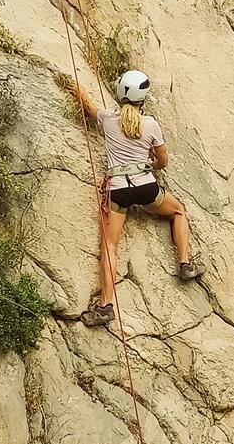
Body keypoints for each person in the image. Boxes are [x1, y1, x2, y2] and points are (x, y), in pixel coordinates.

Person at [60, 69, 202, 327]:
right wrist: (151, 165)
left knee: (110, 247)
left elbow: (90, 107)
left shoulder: (107, 118)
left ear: (119, 93)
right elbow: (163, 161)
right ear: (143, 98)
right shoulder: (150, 125)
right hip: (146, 188)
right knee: (178, 211)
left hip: (118, 191)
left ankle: (105, 306)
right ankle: (185, 263)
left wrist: (75, 86)